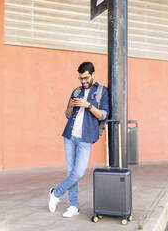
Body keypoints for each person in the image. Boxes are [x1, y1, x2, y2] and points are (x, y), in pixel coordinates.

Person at [48, 61, 109, 218]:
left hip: (86, 137)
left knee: (79, 172)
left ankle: (56, 193)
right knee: (70, 171)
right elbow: (68, 114)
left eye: (86, 78)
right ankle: (73, 205)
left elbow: (103, 115)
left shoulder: (102, 91)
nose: (83, 81)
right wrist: (71, 106)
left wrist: (88, 105)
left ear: (93, 74)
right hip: (69, 135)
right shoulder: (76, 91)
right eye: (80, 78)